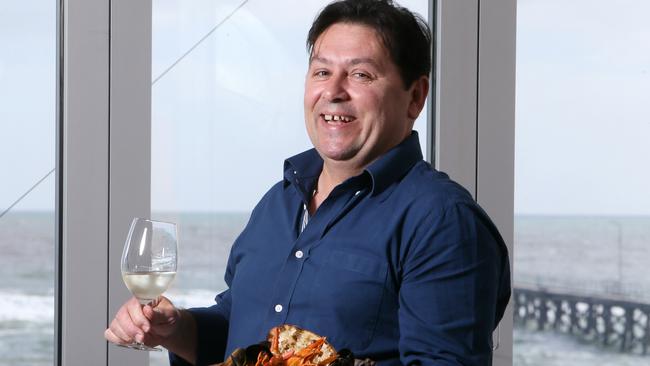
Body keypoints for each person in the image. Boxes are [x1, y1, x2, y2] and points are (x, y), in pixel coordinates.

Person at [105, 0, 511, 365]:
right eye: (321, 71)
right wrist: (175, 330)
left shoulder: (442, 221)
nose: (332, 92)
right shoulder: (278, 202)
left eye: (361, 75)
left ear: (415, 97)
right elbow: (238, 325)